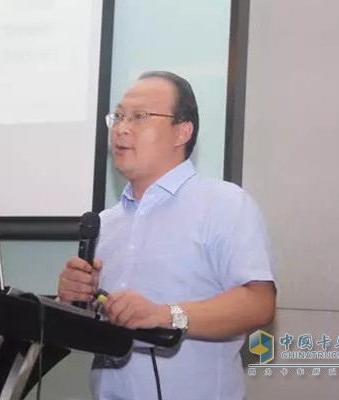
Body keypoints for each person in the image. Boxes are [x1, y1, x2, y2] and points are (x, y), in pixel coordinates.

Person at [57, 71, 276, 400]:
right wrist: (74, 301)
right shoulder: (105, 223)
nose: (122, 128)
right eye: (118, 116)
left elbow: (259, 304)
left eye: (140, 116)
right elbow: (92, 327)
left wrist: (166, 315)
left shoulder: (224, 205)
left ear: (182, 131)